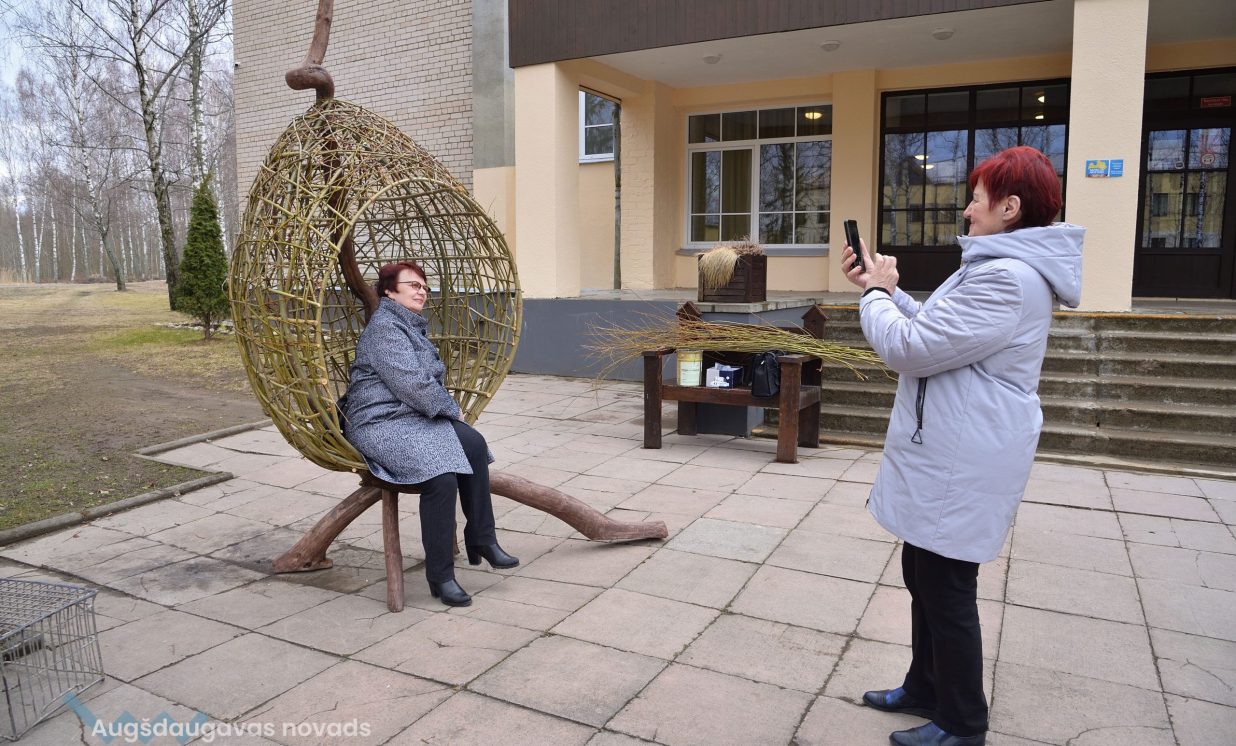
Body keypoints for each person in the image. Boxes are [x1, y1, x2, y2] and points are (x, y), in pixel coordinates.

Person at [841, 146, 1083, 746]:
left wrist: (874, 297)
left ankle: (962, 723)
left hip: (964, 457)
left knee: (946, 590)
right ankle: (925, 686)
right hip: (951, 448)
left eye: (976, 199)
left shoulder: (1007, 278)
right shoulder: (993, 267)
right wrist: (885, 290)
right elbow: (936, 330)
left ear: (1010, 207)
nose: (968, 211)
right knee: (921, 573)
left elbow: (911, 348)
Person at [341, 260, 519, 608]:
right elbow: (412, 383)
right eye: (413, 285)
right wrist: (451, 409)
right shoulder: (385, 329)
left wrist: (447, 412)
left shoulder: (407, 324)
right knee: (441, 477)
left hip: (410, 417)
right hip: (378, 422)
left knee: (473, 444)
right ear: (389, 291)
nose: (422, 291)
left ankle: (481, 538)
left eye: (424, 286)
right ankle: (441, 576)